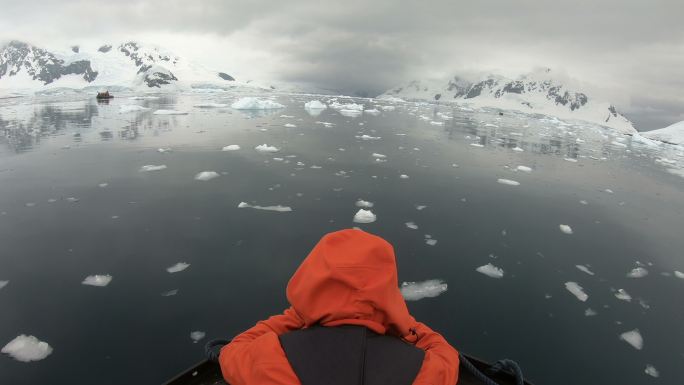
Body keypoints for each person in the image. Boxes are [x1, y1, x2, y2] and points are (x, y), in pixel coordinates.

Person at [219, 228, 459, 385]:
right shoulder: (423, 370)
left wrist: (298, 315)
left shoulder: (271, 359)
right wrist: (399, 320)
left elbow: (232, 350)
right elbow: (446, 354)